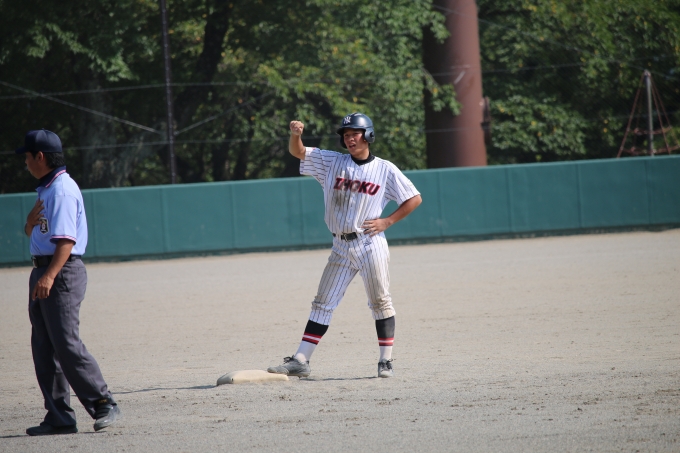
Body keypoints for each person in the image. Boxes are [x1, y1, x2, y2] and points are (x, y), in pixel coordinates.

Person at [267, 113, 422, 378]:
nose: (350, 139)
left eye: (354, 134)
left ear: (368, 135)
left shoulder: (385, 169)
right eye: (346, 135)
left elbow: (414, 198)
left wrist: (387, 221)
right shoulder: (332, 162)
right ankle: (301, 360)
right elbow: (299, 152)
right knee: (322, 303)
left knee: (380, 301)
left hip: (369, 243)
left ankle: (385, 360)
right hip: (340, 246)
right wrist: (295, 135)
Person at [16, 129, 121, 436]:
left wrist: (49, 275)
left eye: (27, 156)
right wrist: (29, 224)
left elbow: (66, 242)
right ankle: (59, 417)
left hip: (60, 272)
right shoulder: (47, 189)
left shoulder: (61, 190)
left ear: (40, 157)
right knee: (44, 347)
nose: (25, 162)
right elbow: (37, 234)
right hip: (44, 270)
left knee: (65, 343)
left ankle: (103, 401)